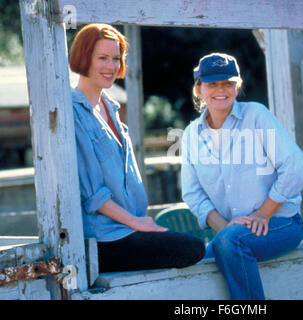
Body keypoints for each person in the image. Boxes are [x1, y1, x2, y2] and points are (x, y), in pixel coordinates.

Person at [69, 23, 205, 273]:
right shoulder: (73, 111)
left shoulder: (110, 106)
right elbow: (93, 194)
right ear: (83, 57)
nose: (111, 66)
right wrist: (137, 223)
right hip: (105, 238)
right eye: (102, 58)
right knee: (194, 249)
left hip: (131, 227)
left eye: (115, 58)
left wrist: (139, 222)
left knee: (202, 244)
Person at [181, 53, 303, 300]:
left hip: (282, 223)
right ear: (199, 89)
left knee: (229, 243)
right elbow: (192, 193)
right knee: (198, 262)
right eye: (212, 84)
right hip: (230, 233)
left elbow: (295, 166)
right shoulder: (190, 135)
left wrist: (264, 213)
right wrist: (223, 226)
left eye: (228, 83)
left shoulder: (256, 115)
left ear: (237, 87)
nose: (221, 90)